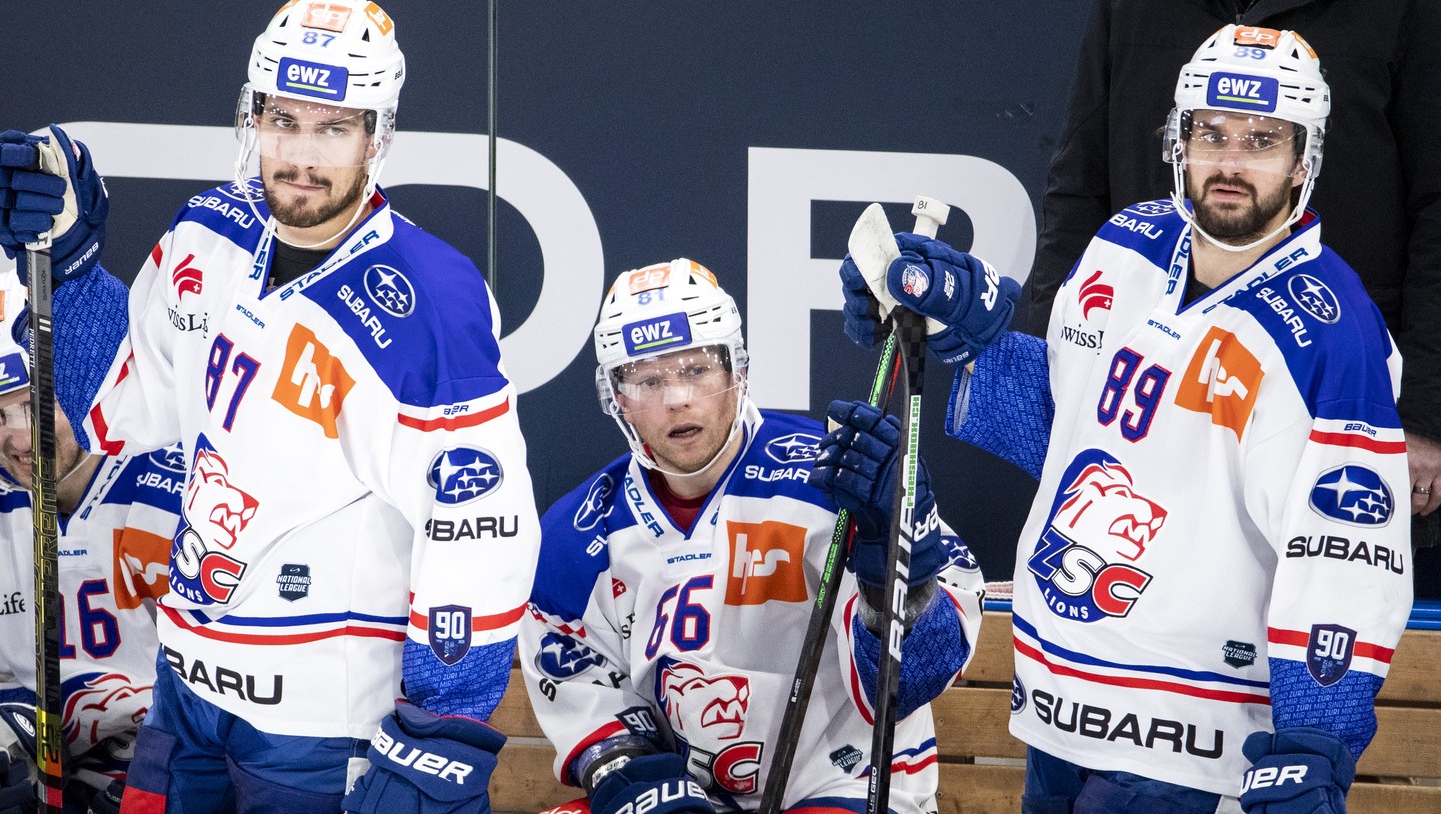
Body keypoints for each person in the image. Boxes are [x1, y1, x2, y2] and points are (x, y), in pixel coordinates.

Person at [0, 1, 540, 811]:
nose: (301, 155)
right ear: (253, 116)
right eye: (284, 120)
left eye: (333, 128)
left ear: (377, 135)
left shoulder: (432, 300)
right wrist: (69, 271)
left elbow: (480, 523)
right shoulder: (209, 234)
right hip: (185, 696)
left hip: (322, 731)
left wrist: (441, 731)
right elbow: (118, 406)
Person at [839, 26, 1411, 812]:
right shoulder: (1126, 246)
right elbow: (1069, 429)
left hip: (1192, 740)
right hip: (1059, 707)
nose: (1231, 162)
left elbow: (1345, 556)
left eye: (1262, 140)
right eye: (1211, 133)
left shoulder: (1333, 335)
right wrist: (963, 325)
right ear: (1179, 140)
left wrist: (1317, 738)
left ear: (1303, 158)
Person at [519, 259, 985, 814]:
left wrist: (896, 570)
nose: (677, 398)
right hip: (692, 795)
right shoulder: (579, 537)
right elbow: (586, 689)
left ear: (737, 370)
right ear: (616, 397)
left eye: (696, 369)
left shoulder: (836, 481)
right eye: (648, 380)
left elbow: (915, 679)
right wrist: (643, 786)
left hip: (845, 785)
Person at [1021, 0, 1441, 526]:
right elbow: (1078, 185)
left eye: (1260, 141)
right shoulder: (1128, 8)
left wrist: (1424, 413)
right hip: (1139, 379)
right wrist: (1046, 361)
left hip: (1324, 384)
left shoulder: (1408, 11)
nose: (1232, 160)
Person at [0, 271, 177, 814]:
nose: (21, 437)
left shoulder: (176, 487)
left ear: (88, 380)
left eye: (38, 402)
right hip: (35, 783)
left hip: (163, 779)